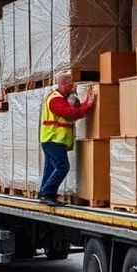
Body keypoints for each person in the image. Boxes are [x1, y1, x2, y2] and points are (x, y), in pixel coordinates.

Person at [38, 71, 96, 206]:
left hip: (53, 140)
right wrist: (88, 105)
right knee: (62, 167)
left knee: (51, 168)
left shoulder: (62, 98)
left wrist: (84, 102)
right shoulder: (56, 99)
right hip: (53, 139)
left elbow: (72, 110)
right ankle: (47, 193)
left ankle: (44, 194)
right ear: (64, 84)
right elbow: (70, 114)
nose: (73, 86)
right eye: (71, 84)